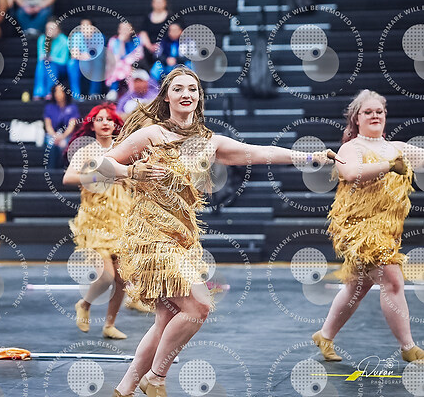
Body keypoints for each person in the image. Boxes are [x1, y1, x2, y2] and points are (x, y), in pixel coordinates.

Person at [83, 66, 335, 397]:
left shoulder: (210, 142)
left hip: (183, 237)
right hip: (150, 235)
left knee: (166, 320)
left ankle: (125, 388)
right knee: (199, 307)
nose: (186, 93)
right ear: (167, 97)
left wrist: (311, 157)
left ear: (200, 97)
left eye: (192, 88)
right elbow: (100, 165)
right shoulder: (152, 135)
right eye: (178, 89)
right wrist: (133, 171)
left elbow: (262, 153)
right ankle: (155, 378)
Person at [312, 89, 424, 363]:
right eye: (368, 112)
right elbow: (351, 173)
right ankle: (408, 347)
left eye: (379, 111)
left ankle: (324, 335)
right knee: (392, 280)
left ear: (385, 115)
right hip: (357, 229)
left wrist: (393, 160)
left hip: (387, 230)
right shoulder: (351, 148)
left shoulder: (398, 148)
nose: (375, 115)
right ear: (356, 118)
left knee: (356, 286)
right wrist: (389, 165)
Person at [62, 103, 132, 339]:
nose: (104, 123)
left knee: (122, 276)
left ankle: (109, 325)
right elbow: (68, 178)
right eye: (99, 119)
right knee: (106, 275)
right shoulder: (87, 151)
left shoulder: (123, 150)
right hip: (94, 221)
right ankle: (84, 304)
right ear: (92, 125)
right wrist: (97, 176)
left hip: (120, 218)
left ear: (115, 124)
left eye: (109, 119)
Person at [33, 20, 78, 100]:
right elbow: (40, 57)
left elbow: (64, 60)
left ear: (58, 29)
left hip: (61, 67)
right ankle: (39, 91)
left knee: (51, 64)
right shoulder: (42, 39)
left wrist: (53, 59)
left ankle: (49, 91)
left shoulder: (64, 40)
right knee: (41, 63)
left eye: (52, 29)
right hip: (45, 65)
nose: (50, 31)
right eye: (48, 29)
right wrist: (46, 58)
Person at [105, 21, 144, 101]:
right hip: (118, 66)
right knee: (117, 66)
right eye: (122, 29)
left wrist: (128, 62)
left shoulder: (137, 40)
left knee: (126, 67)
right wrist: (121, 42)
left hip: (133, 65)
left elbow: (140, 55)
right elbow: (115, 58)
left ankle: (132, 91)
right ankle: (113, 90)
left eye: (127, 29)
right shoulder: (113, 41)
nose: (124, 31)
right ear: (119, 30)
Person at [67, 18, 106, 99]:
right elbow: (74, 55)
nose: (84, 29)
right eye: (82, 26)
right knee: (71, 63)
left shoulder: (99, 37)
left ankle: (94, 93)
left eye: (87, 26)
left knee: (98, 63)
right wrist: (84, 56)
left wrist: (87, 56)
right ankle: (76, 95)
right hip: (80, 62)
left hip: (94, 63)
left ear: (93, 28)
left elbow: (97, 54)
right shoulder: (76, 36)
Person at [43, 83, 79, 168]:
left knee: (65, 144)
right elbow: (48, 126)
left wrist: (63, 136)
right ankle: (51, 169)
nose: (58, 94)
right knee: (51, 144)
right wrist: (55, 136)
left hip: (67, 135)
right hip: (52, 134)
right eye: (56, 91)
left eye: (60, 91)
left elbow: (71, 125)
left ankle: (65, 169)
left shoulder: (73, 107)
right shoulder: (49, 107)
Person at [139, 0, 170, 66]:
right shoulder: (147, 18)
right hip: (149, 50)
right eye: (156, 2)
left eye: (160, 2)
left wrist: (161, 46)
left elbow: (176, 32)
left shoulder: (172, 17)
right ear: (152, 3)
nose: (158, 4)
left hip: (167, 50)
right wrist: (150, 46)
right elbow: (143, 33)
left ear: (165, 3)